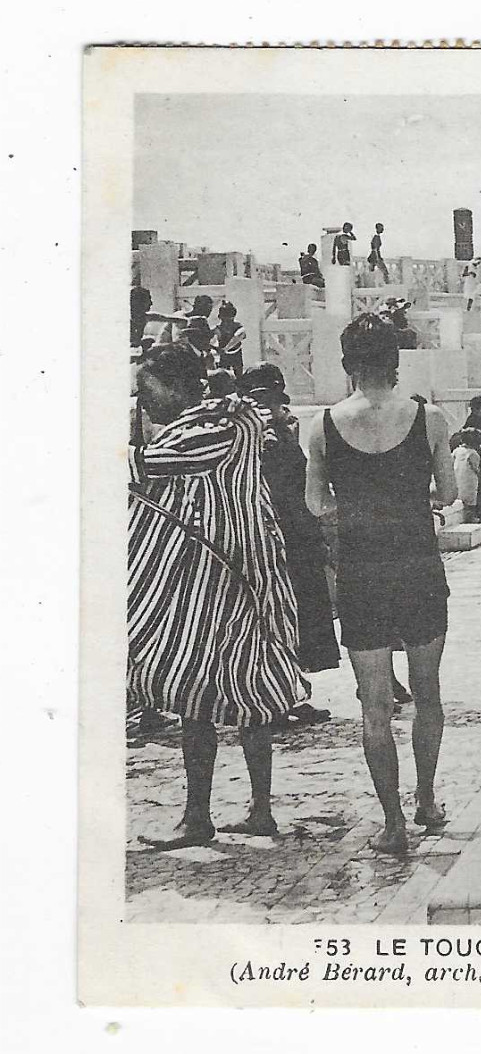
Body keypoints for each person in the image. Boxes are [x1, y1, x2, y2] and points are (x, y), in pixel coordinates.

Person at [129, 344, 308, 849]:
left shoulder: (214, 428)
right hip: (233, 568)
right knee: (237, 685)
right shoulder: (228, 419)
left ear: (177, 386)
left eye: (148, 392)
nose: (145, 404)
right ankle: (254, 809)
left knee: (201, 690)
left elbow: (150, 465)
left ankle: (202, 816)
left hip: (224, 573)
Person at [303, 313, 457, 853]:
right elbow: (449, 493)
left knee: (374, 707)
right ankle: (428, 800)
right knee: (428, 696)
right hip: (416, 565)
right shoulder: (430, 419)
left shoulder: (321, 425)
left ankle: (392, 824)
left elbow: (316, 503)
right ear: (396, 362)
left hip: (362, 573)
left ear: (348, 365)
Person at [239, 362, 339, 727]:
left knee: (299, 619)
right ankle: (276, 700)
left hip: (296, 537)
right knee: (276, 621)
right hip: (270, 540)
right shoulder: (254, 436)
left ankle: (291, 693)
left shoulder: (285, 430)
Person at [214, 300, 245, 375]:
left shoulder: (238, 327)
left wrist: (224, 349)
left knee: (238, 375)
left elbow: (239, 336)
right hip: (224, 356)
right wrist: (216, 348)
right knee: (223, 375)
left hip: (235, 353)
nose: (226, 321)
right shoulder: (217, 329)